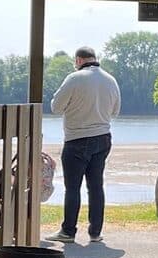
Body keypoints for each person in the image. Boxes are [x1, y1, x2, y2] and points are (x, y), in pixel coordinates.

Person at [50, 46, 120, 244]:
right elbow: (115, 111)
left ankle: (68, 231)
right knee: (96, 186)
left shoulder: (74, 78)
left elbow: (55, 107)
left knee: (73, 187)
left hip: (77, 139)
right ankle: (95, 232)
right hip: (103, 137)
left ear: (79, 60)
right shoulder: (110, 79)